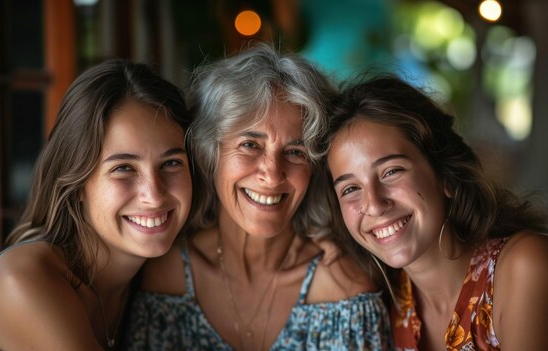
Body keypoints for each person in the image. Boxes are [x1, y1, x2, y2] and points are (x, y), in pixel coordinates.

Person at [126, 44, 392, 350]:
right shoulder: (166, 276)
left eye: (295, 151)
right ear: (211, 152)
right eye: (250, 144)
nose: (272, 173)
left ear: (315, 167)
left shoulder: (344, 291)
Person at [324, 74, 548, 350]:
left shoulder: (527, 267)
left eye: (392, 171)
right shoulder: (385, 305)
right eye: (350, 189)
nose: (373, 203)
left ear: (446, 176)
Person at [0, 60, 193, 350]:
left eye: (171, 163)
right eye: (123, 168)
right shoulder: (24, 282)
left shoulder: (156, 277)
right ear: (77, 184)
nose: (154, 195)